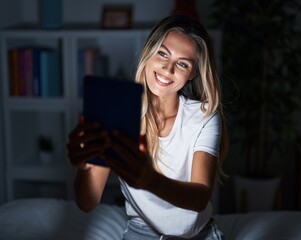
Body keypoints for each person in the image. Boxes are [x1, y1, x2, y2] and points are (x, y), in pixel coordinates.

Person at [67, 14, 228, 239]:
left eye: (182, 63)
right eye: (163, 53)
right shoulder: (117, 111)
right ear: (148, 52)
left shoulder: (204, 117)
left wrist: (149, 180)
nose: (167, 68)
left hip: (198, 235)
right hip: (142, 232)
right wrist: (84, 166)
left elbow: (200, 198)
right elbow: (87, 203)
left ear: (192, 73)